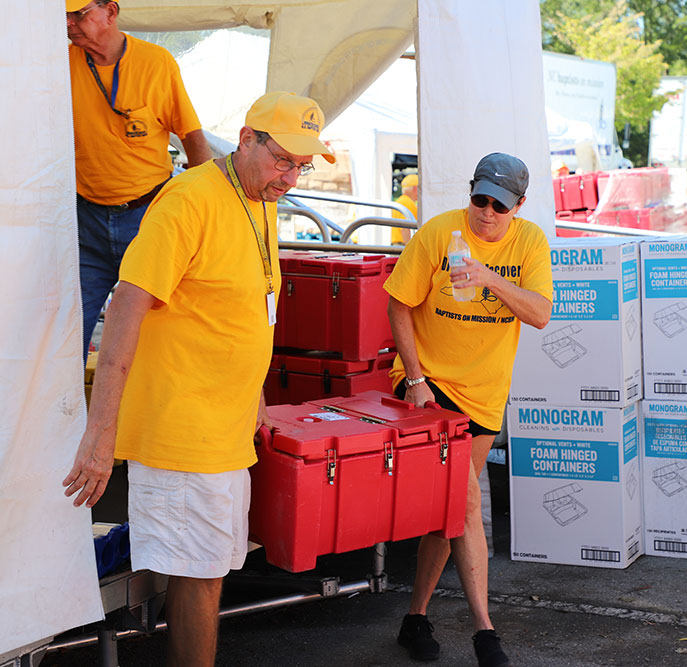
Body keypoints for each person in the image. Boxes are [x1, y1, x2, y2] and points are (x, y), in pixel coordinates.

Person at [63, 91, 335, 667]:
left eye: (302, 165)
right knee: (200, 579)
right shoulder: (190, 198)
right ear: (246, 139)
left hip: (224, 430)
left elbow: (239, 308)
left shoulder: (258, 195)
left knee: (207, 575)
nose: (291, 176)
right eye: (283, 159)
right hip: (183, 429)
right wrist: (100, 435)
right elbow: (126, 308)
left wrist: (256, 391)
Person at [385, 153, 552, 667]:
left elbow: (541, 314)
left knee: (448, 509)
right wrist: (414, 379)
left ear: (518, 206)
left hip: (484, 394)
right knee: (467, 502)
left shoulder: (529, 243)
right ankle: (486, 633)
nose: (485, 213)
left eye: (498, 206)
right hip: (430, 385)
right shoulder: (438, 233)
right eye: (479, 199)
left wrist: (489, 278)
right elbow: (397, 302)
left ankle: (415, 617)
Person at [66, 0, 213, 358]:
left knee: (157, 336)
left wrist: (207, 210)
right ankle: (68, 414)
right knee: (69, 335)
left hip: (148, 218)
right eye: (63, 15)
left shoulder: (156, 63)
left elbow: (192, 137)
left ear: (110, 12)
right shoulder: (60, 64)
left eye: (78, 14)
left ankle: (144, 412)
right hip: (84, 221)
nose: (69, 23)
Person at [391, 173, 419, 245]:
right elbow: (405, 228)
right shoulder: (407, 202)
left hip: (396, 244)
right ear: (415, 188)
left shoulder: (401, 200)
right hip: (401, 245)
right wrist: (408, 248)